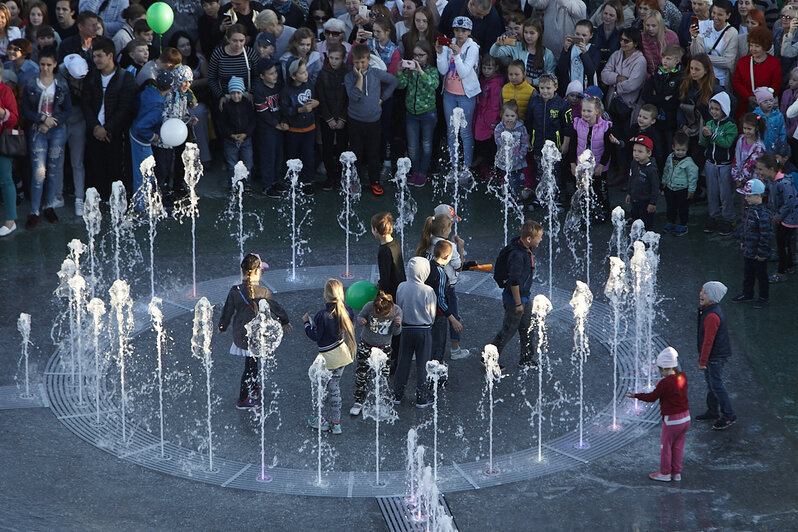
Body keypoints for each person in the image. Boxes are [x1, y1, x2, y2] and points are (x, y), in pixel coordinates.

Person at [219, 253, 291, 409]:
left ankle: (253, 384)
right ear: (256, 272)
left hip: (241, 334)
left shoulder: (235, 290)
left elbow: (227, 311)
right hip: (255, 335)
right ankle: (243, 398)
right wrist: (285, 321)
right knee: (250, 365)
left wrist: (222, 327)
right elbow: (275, 307)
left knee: (252, 361)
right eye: (261, 270)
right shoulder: (263, 291)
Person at [81, 36, 135, 201]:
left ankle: (118, 202)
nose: (95, 60)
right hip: (95, 131)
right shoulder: (91, 77)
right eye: (94, 56)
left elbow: (125, 109)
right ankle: (101, 201)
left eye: (99, 56)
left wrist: (107, 129)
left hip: (115, 134)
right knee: (96, 168)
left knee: (116, 170)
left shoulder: (125, 78)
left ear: (110, 56)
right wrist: (96, 127)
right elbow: (86, 104)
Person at [625, 346, 689, 482]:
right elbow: (673, 388)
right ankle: (676, 473)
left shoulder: (664, 383)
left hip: (672, 420)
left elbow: (652, 397)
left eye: (661, 370)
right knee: (678, 446)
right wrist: (661, 384)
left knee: (666, 447)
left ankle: (665, 473)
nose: (660, 373)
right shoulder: (682, 376)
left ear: (665, 368)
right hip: (686, 418)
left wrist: (635, 395)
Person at [302, 278, 356, 434]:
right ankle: (336, 423)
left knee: (323, 388)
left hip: (327, 357)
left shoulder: (322, 315)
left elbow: (315, 336)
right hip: (342, 354)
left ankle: (323, 420)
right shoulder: (347, 310)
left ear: (326, 295)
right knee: (335, 387)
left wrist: (306, 323)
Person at [344, 43, 398, 196]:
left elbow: (394, 81)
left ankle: (375, 181)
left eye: (363, 62)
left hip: (373, 121)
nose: (360, 65)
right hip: (355, 120)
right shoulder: (349, 77)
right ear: (352, 62)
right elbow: (355, 96)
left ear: (368, 60)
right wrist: (360, 78)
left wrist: (382, 98)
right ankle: (355, 182)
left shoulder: (376, 73)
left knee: (373, 153)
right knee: (356, 153)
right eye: (357, 62)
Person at [491, 220, 543, 368]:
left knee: (527, 328)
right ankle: (489, 358)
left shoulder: (524, 248)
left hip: (524, 297)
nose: (540, 239)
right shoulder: (517, 255)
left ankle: (526, 359)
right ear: (528, 239)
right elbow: (514, 281)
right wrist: (518, 303)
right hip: (515, 299)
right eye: (538, 237)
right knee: (508, 330)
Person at [436, 16, 480, 183]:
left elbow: (464, 72)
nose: (459, 34)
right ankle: (454, 167)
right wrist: (440, 53)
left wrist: (457, 54)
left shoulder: (473, 47)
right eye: (457, 30)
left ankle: (466, 169)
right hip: (449, 93)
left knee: (465, 132)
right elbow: (443, 70)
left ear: (469, 32)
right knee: (451, 131)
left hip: (466, 95)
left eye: (463, 31)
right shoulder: (450, 43)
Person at [393, 256, 436, 407]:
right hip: (423, 329)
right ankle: (422, 396)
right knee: (423, 363)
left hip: (406, 328)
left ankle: (397, 394)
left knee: (403, 361)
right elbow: (432, 313)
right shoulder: (428, 290)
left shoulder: (401, 286)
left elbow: (398, 306)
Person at [351, 291, 402, 416]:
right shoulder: (369, 306)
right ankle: (358, 401)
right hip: (366, 344)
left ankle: (381, 401)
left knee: (383, 375)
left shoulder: (397, 311)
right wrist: (361, 320)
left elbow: (396, 333)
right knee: (362, 374)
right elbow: (359, 317)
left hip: (384, 347)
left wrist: (398, 325)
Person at [129, 70, 174, 211]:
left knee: (144, 172)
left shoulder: (149, 91)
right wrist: (153, 136)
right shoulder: (157, 106)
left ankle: (144, 203)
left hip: (134, 133)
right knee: (144, 173)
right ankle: (140, 207)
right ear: (171, 87)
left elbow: (136, 105)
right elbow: (142, 127)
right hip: (141, 139)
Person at [524, 73, 571, 205]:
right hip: (538, 145)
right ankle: (540, 197)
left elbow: (568, 127)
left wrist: (565, 143)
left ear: (555, 87)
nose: (545, 91)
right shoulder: (534, 102)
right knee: (539, 171)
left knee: (556, 172)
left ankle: (555, 198)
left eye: (548, 88)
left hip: (555, 148)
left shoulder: (562, 104)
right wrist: (528, 140)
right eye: (542, 88)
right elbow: (528, 123)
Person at [569, 95, 617, 222]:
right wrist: (572, 163)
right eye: (584, 110)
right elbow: (573, 144)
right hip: (582, 166)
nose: (585, 113)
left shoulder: (605, 127)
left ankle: (604, 211)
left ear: (597, 111)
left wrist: (601, 165)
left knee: (601, 190)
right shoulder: (577, 124)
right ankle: (587, 213)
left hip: (599, 167)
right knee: (583, 190)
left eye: (589, 111)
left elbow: (608, 148)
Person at [397, 39, 439, 187]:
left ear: (428, 55)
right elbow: (401, 86)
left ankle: (423, 172)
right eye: (415, 55)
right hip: (411, 113)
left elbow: (434, 85)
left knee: (426, 144)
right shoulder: (410, 71)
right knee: (413, 146)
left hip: (428, 113)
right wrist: (400, 72)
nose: (417, 58)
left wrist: (421, 72)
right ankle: (415, 171)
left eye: (421, 55)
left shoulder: (432, 70)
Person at [696, 281, 736, 429]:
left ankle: (728, 414)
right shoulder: (708, 310)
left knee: (716, 385)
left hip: (714, 356)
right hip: (715, 354)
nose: (701, 294)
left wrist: (703, 360)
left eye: (705, 292)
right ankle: (713, 411)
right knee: (712, 384)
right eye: (701, 291)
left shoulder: (712, 315)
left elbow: (708, 341)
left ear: (713, 296)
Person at [698, 91, 738, 236]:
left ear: (725, 109)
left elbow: (727, 143)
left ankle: (729, 219)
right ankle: (713, 216)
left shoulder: (731, 125)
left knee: (726, 194)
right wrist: (703, 135)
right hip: (710, 163)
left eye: (717, 109)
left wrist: (712, 135)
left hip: (725, 165)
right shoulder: (709, 123)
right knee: (712, 192)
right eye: (712, 108)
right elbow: (704, 143)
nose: (713, 112)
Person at [755, 154, 798, 283]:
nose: (758, 172)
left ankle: (781, 272)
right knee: (785, 244)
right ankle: (789, 265)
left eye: (761, 169)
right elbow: (767, 192)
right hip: (782, 217)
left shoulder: (784, 183)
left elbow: (790, 202)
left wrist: (778, 217)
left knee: (782, 245)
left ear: (771, 169)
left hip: (789, 219)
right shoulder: (771, 180)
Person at [372, 211, 406, 370]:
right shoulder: (396, 243)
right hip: (401, 288)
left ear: (375, 230)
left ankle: (393, 360)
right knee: (399, 323)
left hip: (391, 293)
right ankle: (398, 356)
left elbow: (385, 277)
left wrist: (381, 293)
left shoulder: (383, 250)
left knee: (389, 325)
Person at [732, 178, 773, 309]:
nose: (746, 198)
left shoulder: (763, 214)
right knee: (748, 273)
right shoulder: (749, 210)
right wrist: (742, 242)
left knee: (761, 275)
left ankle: (763, 297)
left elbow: (766, 235)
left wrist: (762, 253)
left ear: (759, 195)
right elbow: (744, 228)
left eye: (749, 196)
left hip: (758, 252)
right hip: (748, 249)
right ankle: (747, 293)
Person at [280, 58, 318, 194]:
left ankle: (308, 181)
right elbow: (284, 109)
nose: (306, 74)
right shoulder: (286, 91)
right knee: (292, 156)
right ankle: (292, 180)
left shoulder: (309, 84)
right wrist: (299, 110)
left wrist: (316, 104)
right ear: (293, 76)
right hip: (293, 130)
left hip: (309, 128)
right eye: (302, 73)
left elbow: (315, 99)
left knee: (308, 156)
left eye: (306, 71)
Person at [423, 239, 462, 368]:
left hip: (425, 311)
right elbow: (440, 299)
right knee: (439, 343)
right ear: (447, 257)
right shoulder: (441, 274)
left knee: (429, 341)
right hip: (438, 314)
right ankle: (435, 371)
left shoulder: (428, 265)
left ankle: (427, 363)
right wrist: (452, 319)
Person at [253, 57, 288, 197]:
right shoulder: (259, 90)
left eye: (275, 72)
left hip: (280, 127)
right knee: (269, 157)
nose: (275, 75)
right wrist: (276, 124)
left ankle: (275, 180)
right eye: (271, 73)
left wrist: (284, 121)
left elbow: (285, 104)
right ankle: (267, 185)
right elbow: (263, 113)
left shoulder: (279, 85)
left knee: (279, 155)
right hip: (267, 130)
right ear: (262, 76)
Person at [641, 44, 682, 161]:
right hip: (656, 120)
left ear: (676, 60)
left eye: (668, 58)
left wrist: (657, 98)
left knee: (669, 151)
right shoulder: (657, 73)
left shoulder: (680, 77)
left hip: (670, 122)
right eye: (663, 57)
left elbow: (675, 102)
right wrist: (663, 98)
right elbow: (646, 95)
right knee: (656, 150)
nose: (664, 61)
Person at [732, 27, 782, 122]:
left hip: (766, 109)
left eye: (757, 46)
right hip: (745, 107)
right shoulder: (743, 62)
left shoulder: (774, 63)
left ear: (765, 46)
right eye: (751, 45)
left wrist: (763, 99)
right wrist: (748, 97)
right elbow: (737, 83)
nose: (753, 49)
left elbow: (776, 85)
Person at [490, 17, 555, 89]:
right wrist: (497, 45)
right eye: (526, 32)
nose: (528, 36)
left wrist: (532, 81)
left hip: (538, 92)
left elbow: (550, 77)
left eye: (532, 33)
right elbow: (494, 54)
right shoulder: (516, 46)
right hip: (517, 89)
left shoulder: (548, 54)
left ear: (539, 33)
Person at [207, 24, 260, 112]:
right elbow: (211, 78)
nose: (238, 44)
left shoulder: (250, 53)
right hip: (225, 98)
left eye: (241, 41)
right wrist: (220, 96)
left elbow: (257, 76)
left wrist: (252, 93)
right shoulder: (218, 54)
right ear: (227, 39)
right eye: (234, 41)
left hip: (246, 97)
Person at [59, 53, 87, 216]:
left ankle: (79, 198)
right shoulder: (60, 73)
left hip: (79, 123)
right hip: (61, 124)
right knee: (58, 161)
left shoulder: (87, 73)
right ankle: (57, 196)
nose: (77, 81)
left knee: (78, 162)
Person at [688, 0, 737, 91]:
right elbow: (696, 55)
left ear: (728, 15)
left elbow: (728, 62)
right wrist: (694, 38)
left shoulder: (732, 33)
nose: (715, 17)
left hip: (719, 80)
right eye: (714, 13)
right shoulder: (703, 25)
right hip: (701, 76)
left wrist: (704, 58)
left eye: (720, 15)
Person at [221, 75, 255, 186]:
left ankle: (247, 183)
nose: (236, 96)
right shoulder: (227, 106)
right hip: (230, 140)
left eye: (238, 93)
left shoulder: (247, 105)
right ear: (229, 94)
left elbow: (252, 122)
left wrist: (246, 134)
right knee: (231, 164)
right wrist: (231, 135)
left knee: (248, 163)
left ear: (242, 93)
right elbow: (223, 123)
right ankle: (233, 184)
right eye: (233, 93)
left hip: (246, 139)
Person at [661, 131, 698, 236]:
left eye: (683, 150)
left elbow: (693, 177)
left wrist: (691, 190)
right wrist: (664, 182)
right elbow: (666, 170)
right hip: (670, 187)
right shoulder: (670, 158)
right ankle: (671, 222)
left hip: (682, 189)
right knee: (670, 207)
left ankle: (683, 224)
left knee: (683, 208)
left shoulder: (689, 162)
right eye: (678, 150)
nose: (680, 152)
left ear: (687, 149)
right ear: (673, 147)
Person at [472, 52, 503, 177]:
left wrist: (492, 124)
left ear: (496, 68)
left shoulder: (496, 84)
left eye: (489, 68)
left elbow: (495, 106)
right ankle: (481, 168)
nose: (486, 71)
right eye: (484, 68)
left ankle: (490, 170)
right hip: (480, 118)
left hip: (489, 121)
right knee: (480, 144)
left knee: (489, 147)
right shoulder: (483, 79)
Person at [494, 99, 530, 197]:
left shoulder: (521, 128)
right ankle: (507, 201)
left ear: (516, 116)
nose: (509, 118)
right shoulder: (499, 128)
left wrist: (519, 158)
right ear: (502, 115)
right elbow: (498, 142)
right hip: (504, 162)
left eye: (512, 116)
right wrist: (508, 132)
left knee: (519, 182)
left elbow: (525, 144)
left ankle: (518, 200)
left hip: (518, 162)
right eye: (507, 115)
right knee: (507, 182)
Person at [556, 19, 600, 94]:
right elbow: (561, 69)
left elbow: (591, 71)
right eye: (577, 34)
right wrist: (565, 50)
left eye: (584, 35)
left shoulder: (594, 50)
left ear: (591, 35)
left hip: (586, 89)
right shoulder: (570, 48)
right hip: (569, 89)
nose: (580, 37)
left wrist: (584, 53)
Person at [624, 134, 658, 230]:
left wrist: (652, 203)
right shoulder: (634, 163)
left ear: (648, 153)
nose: (636, 154)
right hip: (635, 198)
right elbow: (631, 178)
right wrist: (629, 193)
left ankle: (645, 238)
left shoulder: (651, 169)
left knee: (646, 222)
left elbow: (655, 187)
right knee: (635, 216)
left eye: (640, 151)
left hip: (646, 201)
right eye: (634, 150)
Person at [437, 0, 504, 48]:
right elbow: (441, 30)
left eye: (485, 15)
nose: (482, 17)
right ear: (471, 4)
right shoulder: (453, 6)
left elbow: (490, 46)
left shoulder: (493, 17)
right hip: (451, 51)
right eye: (479, 14)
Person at [0, 67, 18, 237]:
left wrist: (3, 113)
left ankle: (10, 220)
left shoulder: (5, 91)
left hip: (2, 142)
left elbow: (14, 118)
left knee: (5, 180)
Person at [731, 112, 766, 188]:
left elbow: (750, 166)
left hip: (753, 181)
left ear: (756, 128)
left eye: (749, 129)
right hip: (739, 178)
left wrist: (740, 180)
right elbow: (736, 158)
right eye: (744, 128)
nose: (746, 131)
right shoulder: (741, 139)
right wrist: (735, 176)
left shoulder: (759, 147)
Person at [640, 11, 677, 78]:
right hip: (648, 78)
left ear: (660, 25)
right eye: (647, 25)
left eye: (653, 26)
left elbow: (677, 60)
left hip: (669, 77)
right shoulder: (641, 38)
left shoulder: (672, 36)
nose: (650, 29)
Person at [752, 86, 786, 152]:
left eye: (771, 100)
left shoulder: (778, 116)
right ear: (759, 103)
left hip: (775, 149)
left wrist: (781, 148)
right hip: (759, 150)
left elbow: (782, 133)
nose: (769, 103)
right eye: (765, 102)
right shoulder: (755, 115)